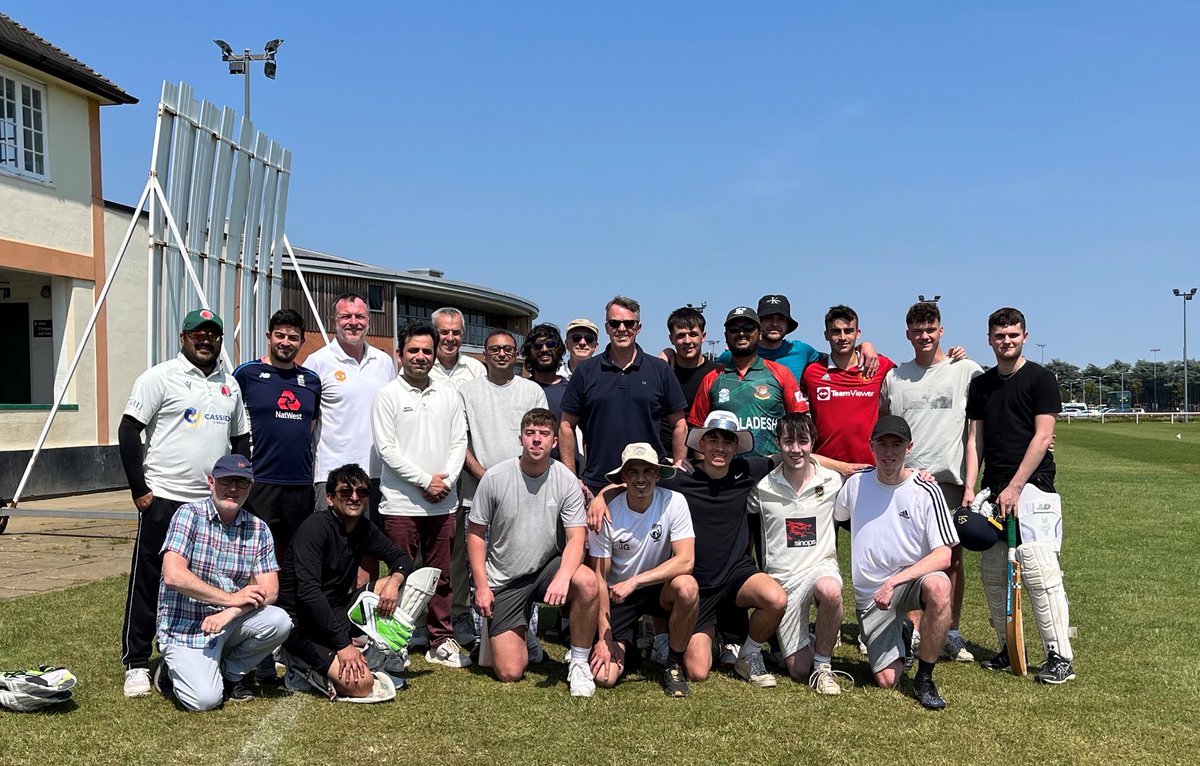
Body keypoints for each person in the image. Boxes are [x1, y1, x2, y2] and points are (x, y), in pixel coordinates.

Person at [118, 309, 250, 698]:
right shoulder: (160, 377)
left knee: (207, 581)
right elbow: (129, 430)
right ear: (183, 338)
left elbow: (240, 439)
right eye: (198, 335)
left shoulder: (230, 385)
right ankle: (137, 662)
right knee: (150, 579)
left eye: (213, 336)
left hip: (210, 504)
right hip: (165, 497)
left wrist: (236, 489)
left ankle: (196, 651)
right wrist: (139, 488)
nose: (205, 341)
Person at [966, 307, 1075, 684]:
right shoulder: (981, 384)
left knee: (1039, 570)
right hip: (994, 489)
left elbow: (1043, 436)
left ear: (1024, 336)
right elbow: (975, 440)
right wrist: (970, 486)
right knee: (995, 573)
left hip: (1034, 486)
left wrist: (1016, 486)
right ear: (989, 339)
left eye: (1013, 335)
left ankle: (1059, 656)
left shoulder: (1040, 379)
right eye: (999, 336)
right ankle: (1008, 647)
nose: (1006, 341)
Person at [467, 409, 599, 695]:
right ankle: (524, 635)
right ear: (520, 439)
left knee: (587, 582)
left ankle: (579, 662)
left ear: (554, 442)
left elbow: (577, 537)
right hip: (505, 580)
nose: (536, 440)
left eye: (543, 434)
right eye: (530, 433)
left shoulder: (565, 479)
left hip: (546, 569)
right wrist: (482, 587)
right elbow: (476, 534)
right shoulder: (495, 477)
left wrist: (563, 577)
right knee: (510, 672)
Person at [880, 301, 982, 663]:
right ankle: (911, 629)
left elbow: (982, 426)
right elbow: (885, 426)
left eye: (930, 329)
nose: (924, 336)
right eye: (917, 330)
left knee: (951, 559)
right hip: (907, 482)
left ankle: (949, 630)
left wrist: (970, 483)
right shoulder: (895, 377)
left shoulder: (965, 370)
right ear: (907, 334)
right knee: (910, 557)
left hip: (949, 481)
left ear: (941, 331)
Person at [833, 416, 959, 710]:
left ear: (909, 447)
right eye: (882, 444)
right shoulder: (855, 484)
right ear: (871, 446)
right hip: (871, 595)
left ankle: (925, 678)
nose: (889, 453)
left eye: (897, 445)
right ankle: (903, 632)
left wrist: (894, 581)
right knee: (887, 680)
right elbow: (838, 517)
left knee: (940, 587)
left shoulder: (926, 489)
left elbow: (944, 555)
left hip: (909, 582)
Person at [152, 454, 291, 711]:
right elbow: (173, 575)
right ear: (211, 482)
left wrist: (231, 611)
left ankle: (230, 674)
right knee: (205, 701)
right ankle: (169, 671)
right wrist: (230, 598)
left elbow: (271, 590)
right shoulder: (188, 515)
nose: (233, 488)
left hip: (228, 622)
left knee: (280, 621)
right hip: (186, 626)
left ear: (251, 487)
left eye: (241, 482)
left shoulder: (258, 529)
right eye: (226, 480)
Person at [371, 321, 470, 668]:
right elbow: (386, 449)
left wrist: (447, 480)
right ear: (400, 354)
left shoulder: (448, 393)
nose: (420, 356)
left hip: (443, 503)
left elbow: (459, 441)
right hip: (401, 503)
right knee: (400, 574)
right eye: (413, 350)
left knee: (441, 576)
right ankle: (395, 639)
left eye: (427, 351)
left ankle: (439, 639)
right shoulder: (387, 395)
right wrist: (425, 481)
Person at [276, 463, 416, 699]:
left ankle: (381, 654)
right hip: (301, 625)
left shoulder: (363, 527)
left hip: (337, 613)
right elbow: (309, 594)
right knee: (362, 685)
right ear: (330, 498)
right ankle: (298, 662)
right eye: (345, 492)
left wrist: (393, 582)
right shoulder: (314, 529)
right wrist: (343, 646)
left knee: (410, 581)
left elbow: (401, 558)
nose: (354, 498)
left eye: (361, 492)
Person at [459, 331, 549, 651]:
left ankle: (527, 635)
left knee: (525, 568)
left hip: (526, 497)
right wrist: (488, 480)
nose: (501, 354)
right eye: (494, 349)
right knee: (481, 571)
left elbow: (541, 437)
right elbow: (460, 442)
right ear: (484, 354)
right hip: (477, 494)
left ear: (517, 354)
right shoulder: (467, 392)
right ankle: (484, 637)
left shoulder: (532, 391)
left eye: (507, 349)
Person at [588, 443, 698, 697]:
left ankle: (672, 664)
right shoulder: (606, 513)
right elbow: (600, 578)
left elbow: (686, 561)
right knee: (604, 678)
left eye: (648, 471)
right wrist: (604, 639)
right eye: (633, 472)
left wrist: (636, 581)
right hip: (617, 594)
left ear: (658, 475)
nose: (641, 479)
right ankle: (630, 645)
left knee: (687, 586)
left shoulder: (674, 501)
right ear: (623, 477)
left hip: (656, 588)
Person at [747, 412, 847, 693]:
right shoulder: (762, 488)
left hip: (820, 568)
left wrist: (916, 473)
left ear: (813, 442)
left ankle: (824, 668)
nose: (796, 449)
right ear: (778, 443)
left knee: (831, 591)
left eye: (802, 441)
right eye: (788, 441)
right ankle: (815, 640)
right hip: (784, 583)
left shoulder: (833, 481)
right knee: (799, 670)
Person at [304, 293, 396, 583]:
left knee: (368, 550)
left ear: (368, 321)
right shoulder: (317, 362)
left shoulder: (384, 362)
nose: (353, 322)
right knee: (330, 550)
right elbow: (308, 423)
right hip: (330, 473)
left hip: (375, 472)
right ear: (334, 321)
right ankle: (328, 606)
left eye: (359, 316)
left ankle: (362, 606)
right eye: (346, 316)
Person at [560, 296, 688, 494]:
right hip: (598, 484)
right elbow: (566, 425)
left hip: (650, 482)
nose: (622, 329)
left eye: (629, 323)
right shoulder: (585, 372)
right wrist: (571, 478)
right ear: (607, 327)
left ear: (638, 327)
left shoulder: (660, 370)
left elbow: (679, 424)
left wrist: (678, 463)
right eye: (615, 323)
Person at [233, 308, 322, 558]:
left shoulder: (311, 380)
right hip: (260, 481)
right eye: (280, 335)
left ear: (302, 341)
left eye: (293, 337)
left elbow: (310, 426)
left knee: (296, 556)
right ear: (269, 336)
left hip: (300, 484)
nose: (285, 342)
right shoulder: (247, 374)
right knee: (255, 555)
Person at [689, 306, 807, 457]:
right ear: (726, 336)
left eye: (748, 328)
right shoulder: (711, 378)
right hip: (725, 467)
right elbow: (697, 429)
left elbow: (799, 423)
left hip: (771, 467)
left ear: (760, 334)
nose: (741, 333)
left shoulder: (782, 373)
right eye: (734, 329)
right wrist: (704, 466)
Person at [801, 305, 896, 477]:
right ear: (826, 335)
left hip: (869, 469)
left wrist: (866, 345)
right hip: (826, 470)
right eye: (836, 331)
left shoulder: (878, 366)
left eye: (848, 331)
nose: (843, 337)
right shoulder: (812, 373)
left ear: (858, 333)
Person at [716, 294, 879, 385]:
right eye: (768, 318)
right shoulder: (731, 357)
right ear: (758, 324)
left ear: (788, 324)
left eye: (781, 319)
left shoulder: (802, 351)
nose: (774, 324)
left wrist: (865, 346)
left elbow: (838, 354)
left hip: (788, 433)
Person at [657, 306, 722, 452]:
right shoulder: (661, 372)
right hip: (664, 455)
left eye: (693, 334)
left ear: (703, 336)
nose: (687, 341)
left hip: (706, 456)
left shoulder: (718, 373)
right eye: (681, 335)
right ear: (671, 339)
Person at [429, 306, 486, 386]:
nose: (450, 338)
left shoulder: (476, 369)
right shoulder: (424, 367)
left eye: (456, 333)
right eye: (444, 332)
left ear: (462, 335)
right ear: (434, 334)